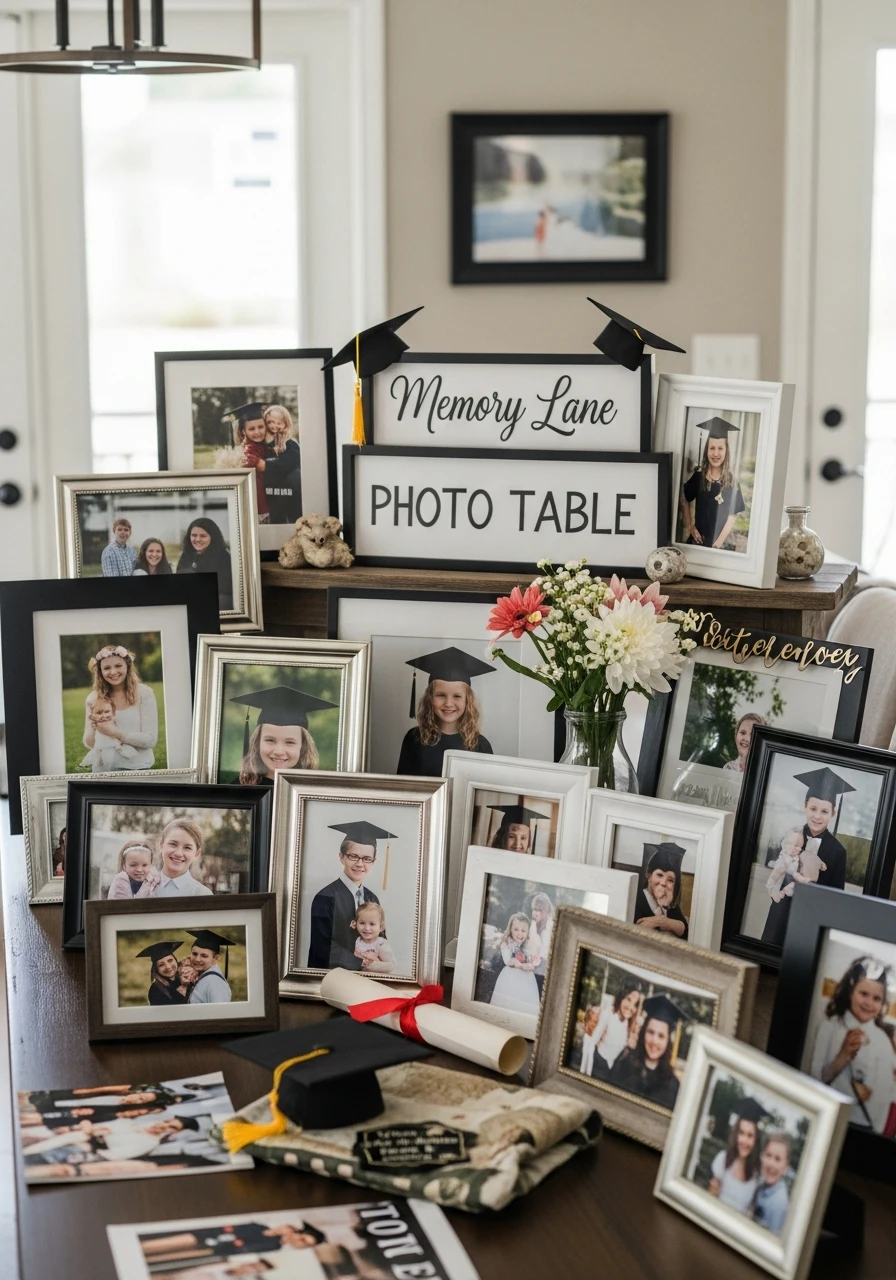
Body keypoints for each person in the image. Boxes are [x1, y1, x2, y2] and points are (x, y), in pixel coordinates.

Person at [760, 766, 852, 947]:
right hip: (780, 912)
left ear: (834, 812)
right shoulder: (790, 836)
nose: (817, 816)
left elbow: (836, 897)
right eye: (813, 808)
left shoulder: (837, 851)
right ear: (805, 806)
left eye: (825, 811)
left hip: (811, 919)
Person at [810, 955, 895, 1133]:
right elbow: (816, 1079)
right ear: (850, 991)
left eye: (876, 998)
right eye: (863, 994)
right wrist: (843, 1055)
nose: (869, 1003)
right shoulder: (829, 1027)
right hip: (829, 1117)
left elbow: (885, 1096)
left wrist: (876, 1132)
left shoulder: (882, 1041)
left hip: (864, 1125)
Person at [397, 647, 495, 776]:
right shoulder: (414, 738)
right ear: (430, 698)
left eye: (457, 696)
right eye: (441, 695)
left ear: (468, 701)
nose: (448, 703)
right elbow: (404, 787)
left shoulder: (480, 745)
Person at [307, 820, 389, 970]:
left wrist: (382, 960)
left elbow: (380, 939)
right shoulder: (325, 897)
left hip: (367, 977)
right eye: (353, 856)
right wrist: (362, 963)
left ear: (373, 862)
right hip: (333, 978)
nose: (360, 864)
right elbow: (322, 948)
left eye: (366, 859)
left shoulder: (372, 898)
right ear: (341, 856)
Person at [226, 685, 337, 785]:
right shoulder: (236, 790)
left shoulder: (315, 791)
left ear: (303, 746)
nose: (279, 751)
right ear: (257, 743)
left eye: (289, 742)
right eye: (270, 740)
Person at [82, 644, 158, 771]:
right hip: (104, 769)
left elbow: (150, 740)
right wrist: (95, 727)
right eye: (106, 668)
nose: (113, 672)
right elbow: (89, 743)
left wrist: (114, 732)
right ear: (100, 672)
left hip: (138, 767)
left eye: (118, 666)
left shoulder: (144, 693)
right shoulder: (93, 698)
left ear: (127, 666)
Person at [680, 418, 746, 551]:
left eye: (720, 448)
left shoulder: (731, 481)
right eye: (712, 448)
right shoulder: (699, 477)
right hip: (699, 541)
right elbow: (683, 498)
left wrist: (717, 544)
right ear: (706, 451)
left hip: (722, 543)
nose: (716, 453)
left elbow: (732, 515)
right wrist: (690, 526)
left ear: (726, 451)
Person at [610, 992, 684, 1109]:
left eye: (661, 1036)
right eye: (650, 1032)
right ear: (643, 1033)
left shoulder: (673, 1086)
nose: (654, 1041)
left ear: (667, 1042)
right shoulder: (624, 1062)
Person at [708, 1097, 765, 1213]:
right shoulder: (723, 1159)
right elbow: (710, 1198)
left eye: (750, 1136)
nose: (744, 1140)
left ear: (756, 1140)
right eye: (741, 1133)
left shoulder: (758, 1175)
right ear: (736, 1134)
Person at [225, 403, 271, 524]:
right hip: (259, 501)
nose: (257, 432)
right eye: (251, 429)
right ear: (243, 431)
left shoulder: (264, 445)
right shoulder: (248, 451)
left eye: (260, 427)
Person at [633, 843, 689, 939]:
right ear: (649, 875)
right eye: (659, 875)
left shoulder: (669, 904)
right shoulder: (637, 899)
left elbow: (684, 930)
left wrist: (665, 922)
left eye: (670, 880)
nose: (663, 883)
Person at [176, 518, 234, 611]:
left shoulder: (224, 558)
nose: (197, 539)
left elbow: (225, 592)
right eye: (194, 535)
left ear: (212, 537)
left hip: (216, 606)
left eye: (203, 536)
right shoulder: (186, 555)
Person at [490, 912, 540, 1016]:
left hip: (526, 978)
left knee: (524, 1001)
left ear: (527, 932)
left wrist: (533, 962)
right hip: (510, 976)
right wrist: (521, 965)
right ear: (510, 929)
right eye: (516, 929)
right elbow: (508, 960)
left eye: (523, 931)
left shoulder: (528, 944)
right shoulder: (507, 942)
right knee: (509, 999)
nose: (520, 934)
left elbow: (535, 957)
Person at [589, 985, 643, 1080]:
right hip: (599, 1064)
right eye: (628, 1000)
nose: (631, 1007)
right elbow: (592, 1041)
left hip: (615, 1070)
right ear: (622, 997)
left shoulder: (630, 1023)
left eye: (635, 1004)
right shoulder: (609, 1013)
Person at [262, 404, 302, 525]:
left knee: (293, 517)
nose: (274, 426)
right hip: (273, 491)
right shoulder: (267, 442)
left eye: (279, 423)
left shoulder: (290, 444)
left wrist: (267, 464)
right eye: (270, 422)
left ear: (286, 424)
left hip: (291, 488)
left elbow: (289, 462)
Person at [152, 818, 213, 897]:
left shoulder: (202, 894)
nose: (178, 853)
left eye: (187, 848)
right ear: (161, 845)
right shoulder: (145, 887)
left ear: (197, 854)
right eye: (173, 844)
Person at [765, 827, 825, 904]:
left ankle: (782, 892)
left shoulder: (795, 856)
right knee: (792, 876)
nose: (799, 849)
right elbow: (780, 869)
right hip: (782, 877)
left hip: (790, 883)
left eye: (800, 847)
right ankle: (799, 881)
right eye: (796, 845)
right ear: (786, 844)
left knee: (792, 884)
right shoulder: (785, 857)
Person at [80, 696, 139, 771]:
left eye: (107, 712)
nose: (104, 716)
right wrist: (93, 727)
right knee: (100, 769)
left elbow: (118, 734)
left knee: (117, 767)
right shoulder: (95, 726)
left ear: (113, 713)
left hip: (115, 750)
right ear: (93, 715)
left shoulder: (113, 723)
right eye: (99, 713)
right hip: (101, 751)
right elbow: (90, 741)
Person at [751, 1132, 792, 1236]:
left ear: (785, 1167)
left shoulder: (779, 1203)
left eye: (777, 1159)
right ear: (762, 1157)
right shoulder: (759, 1186)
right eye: (768, 1155)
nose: (771, 1164)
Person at [136, 940, 193, 1006]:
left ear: (175, 960)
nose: (168, 967)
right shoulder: (156, 990)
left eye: (170, 960)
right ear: (156, 969)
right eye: (161, 965)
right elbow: (172, 1012)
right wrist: (183, 987)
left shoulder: (186, 975)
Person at [187, 930, 234, 1004]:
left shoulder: (214, 983)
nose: (197, 959)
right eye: (194, 954)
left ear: (216, 958)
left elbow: (219, 1014)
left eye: (204, 956)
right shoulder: (204, 976)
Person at [351, 901, 395, 974]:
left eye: (372, 924)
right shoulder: (357, 942)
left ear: (381, 927)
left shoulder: (381, 944)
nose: (367, 928)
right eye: (362, 923)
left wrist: (374, 962)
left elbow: (390, 966)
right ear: (355, 923)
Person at [529, 892, 554, 997]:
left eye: (540, 910)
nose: (536, 913)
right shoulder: (532, 925)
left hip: (544, 970)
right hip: (530, 966)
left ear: (546, 911)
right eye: (535, 909)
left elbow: (545, 951)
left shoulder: (551, 927)